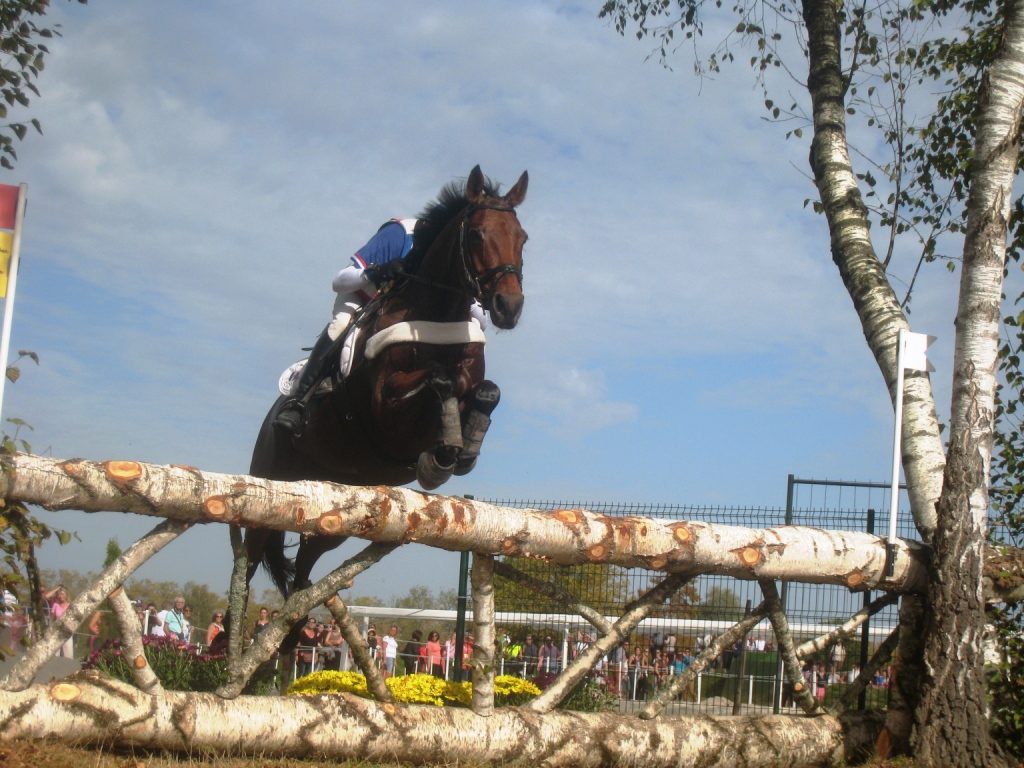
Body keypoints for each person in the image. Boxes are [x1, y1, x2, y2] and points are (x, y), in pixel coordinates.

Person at [273, 218, 419, 436]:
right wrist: (376, 272)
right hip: (362, 298)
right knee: (341, 324)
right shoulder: (400, 234)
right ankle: (298, 400)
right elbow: (339, 281)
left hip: (399, 312)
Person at [42, 585, 73, 658]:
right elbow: (52, 619)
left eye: (62, 594)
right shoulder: (56, 605)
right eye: (59, 594)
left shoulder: (70, 605)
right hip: (56, 632)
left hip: (67, 631)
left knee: (68, 654)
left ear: (66, 595)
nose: (60, 596)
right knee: (55, 654)